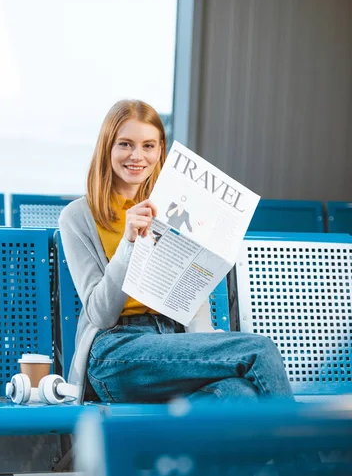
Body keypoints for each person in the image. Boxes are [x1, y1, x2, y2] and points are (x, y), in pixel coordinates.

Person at [59, 99, 294, 404]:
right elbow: (100, 314)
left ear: (160, 152)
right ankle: (302, 452)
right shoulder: (78, 216)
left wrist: (206, 339)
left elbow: (190, 298)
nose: (137, 156)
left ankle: (178, 453)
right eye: (125, 144)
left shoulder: (171, 206)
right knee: (259, 349)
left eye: (148, 146)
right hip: (118, 351)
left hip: (175, 344)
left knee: (239, 396)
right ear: (107, 147)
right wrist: (129, 244)